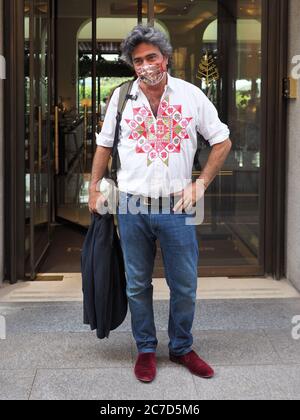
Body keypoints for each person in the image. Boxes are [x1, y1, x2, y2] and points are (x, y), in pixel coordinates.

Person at [88, 25, 232, 383]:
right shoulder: (121, 97)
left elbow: (222, 141)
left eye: (152, 57)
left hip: (177, 207)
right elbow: (104, 147)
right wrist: (92, 188)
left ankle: (181, 346)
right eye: (138, 60)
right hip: (132, 206)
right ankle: (146, 348)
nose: (145, 65)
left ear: (165, 58)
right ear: (132, 65)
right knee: (137, 284)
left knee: (184, 284)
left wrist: (200, 184)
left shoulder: (191, 96)